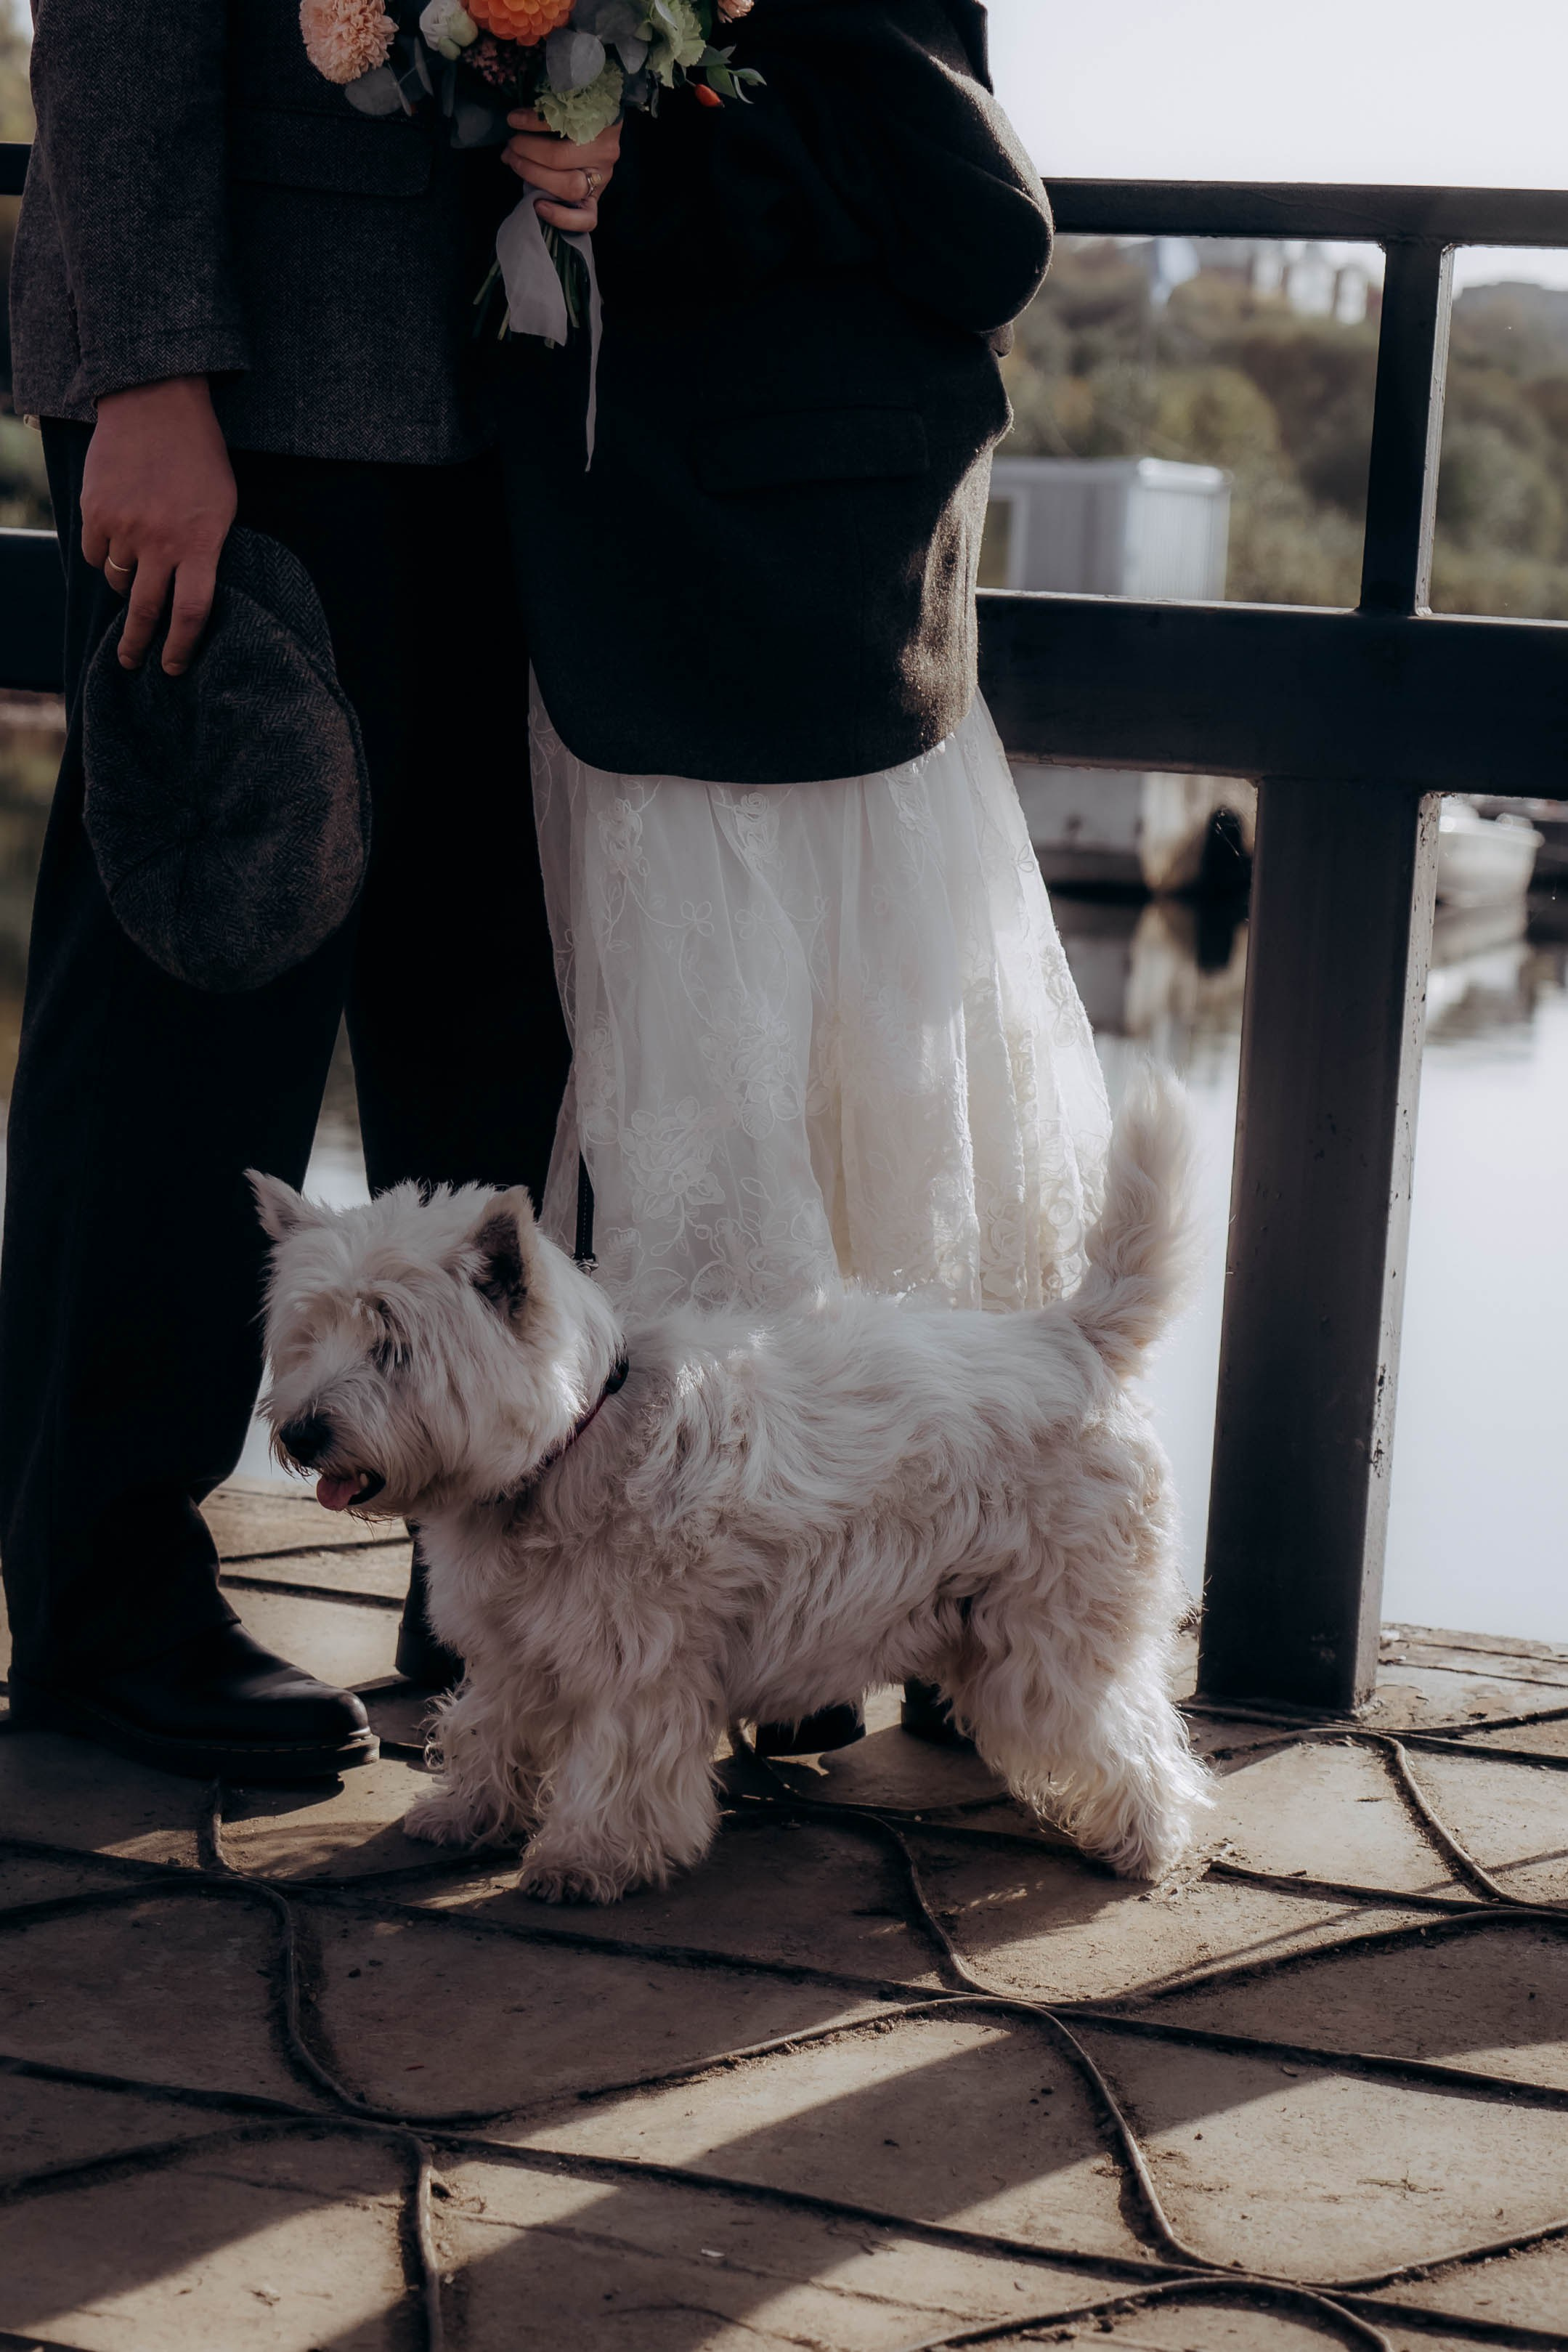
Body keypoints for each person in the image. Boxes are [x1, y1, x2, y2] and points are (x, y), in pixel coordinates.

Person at [0, 0, 620, 1779]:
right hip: (243, 383)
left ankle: (482, 1568)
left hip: (484, 383)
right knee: (193, 984)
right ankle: (102, 1596)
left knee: (494, 995)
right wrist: (147, 368)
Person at [500, 0, 1112, 1753]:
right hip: (641, 584)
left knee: (892, 1102)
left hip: (827, 605)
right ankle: (737, 1624)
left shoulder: (857, 53)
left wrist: (654, 171)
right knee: (692, 1105)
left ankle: (921, 1586)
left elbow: (984, 226)